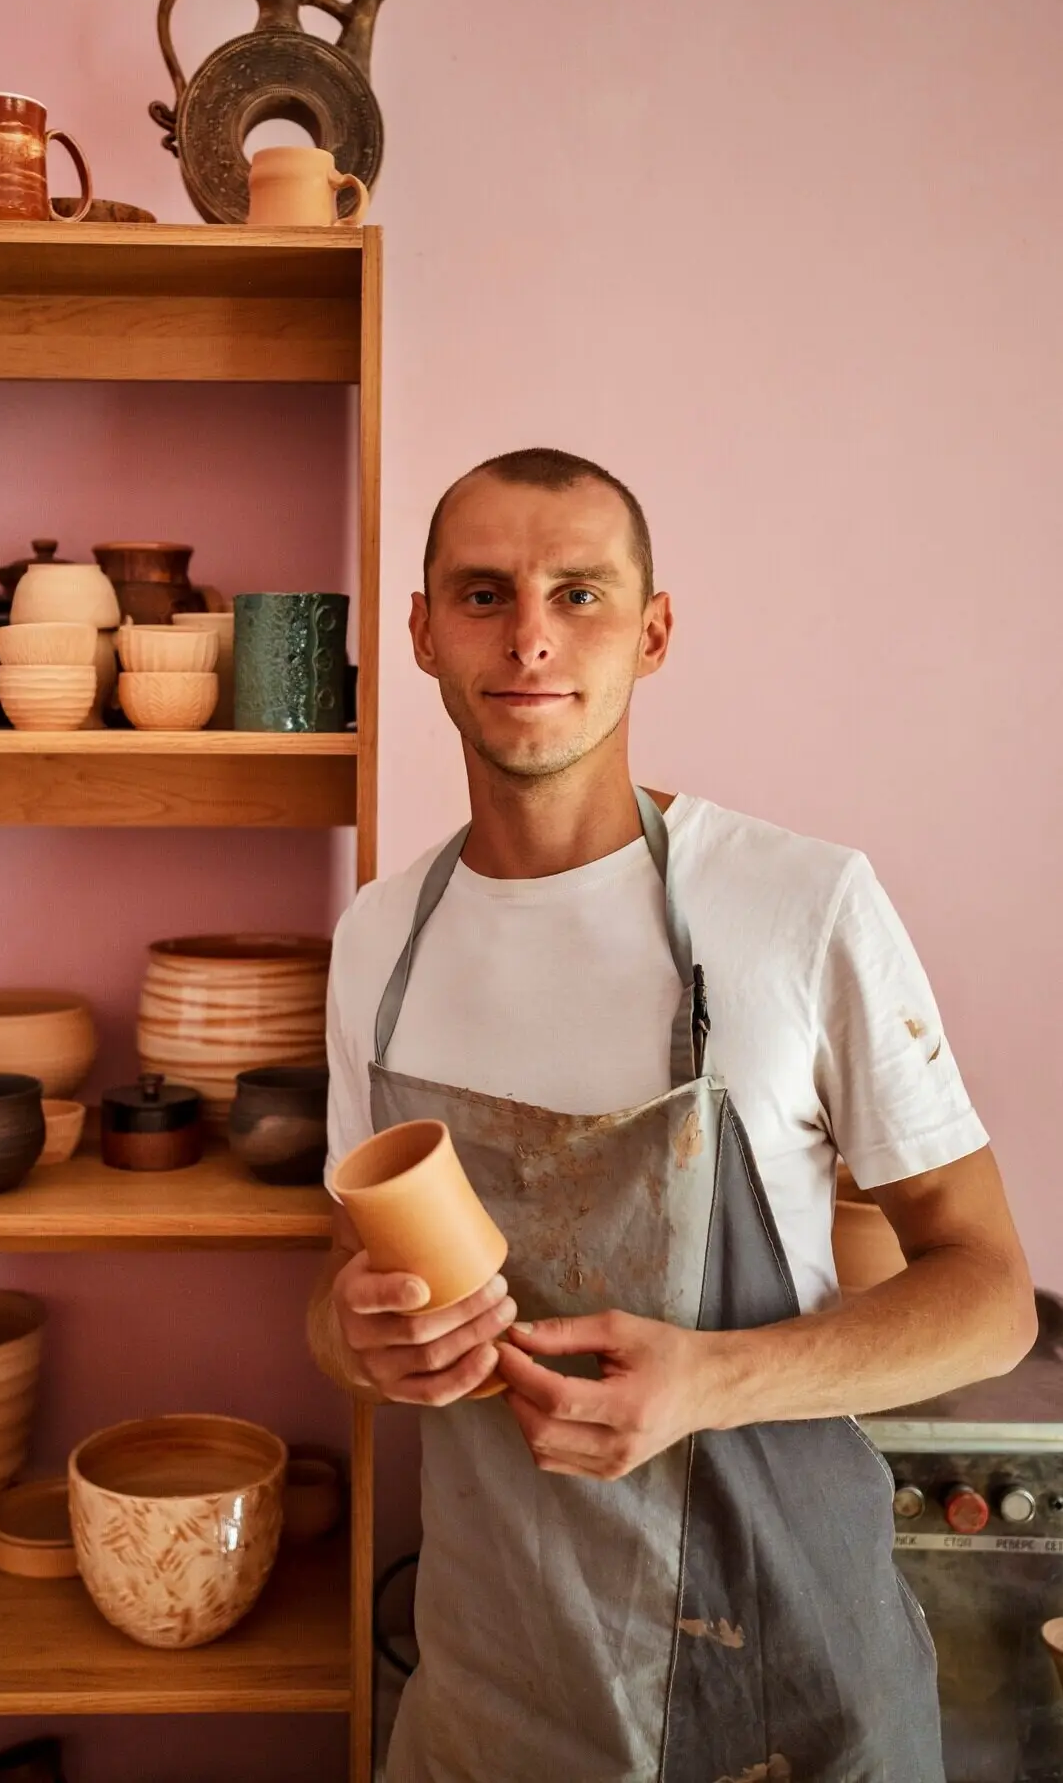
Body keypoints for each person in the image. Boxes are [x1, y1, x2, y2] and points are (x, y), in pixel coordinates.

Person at [307, 447, 1035, 1783]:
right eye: (481, 593)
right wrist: (358, 1341)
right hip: (494, 1686)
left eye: (579, 594)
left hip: (784, 1685)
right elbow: (336, 1293)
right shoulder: (375, 945)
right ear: (416, 633)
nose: (529, 635)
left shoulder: (798, 906)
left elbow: (986, 1294)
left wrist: (714, 1381)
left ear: (651, 633)